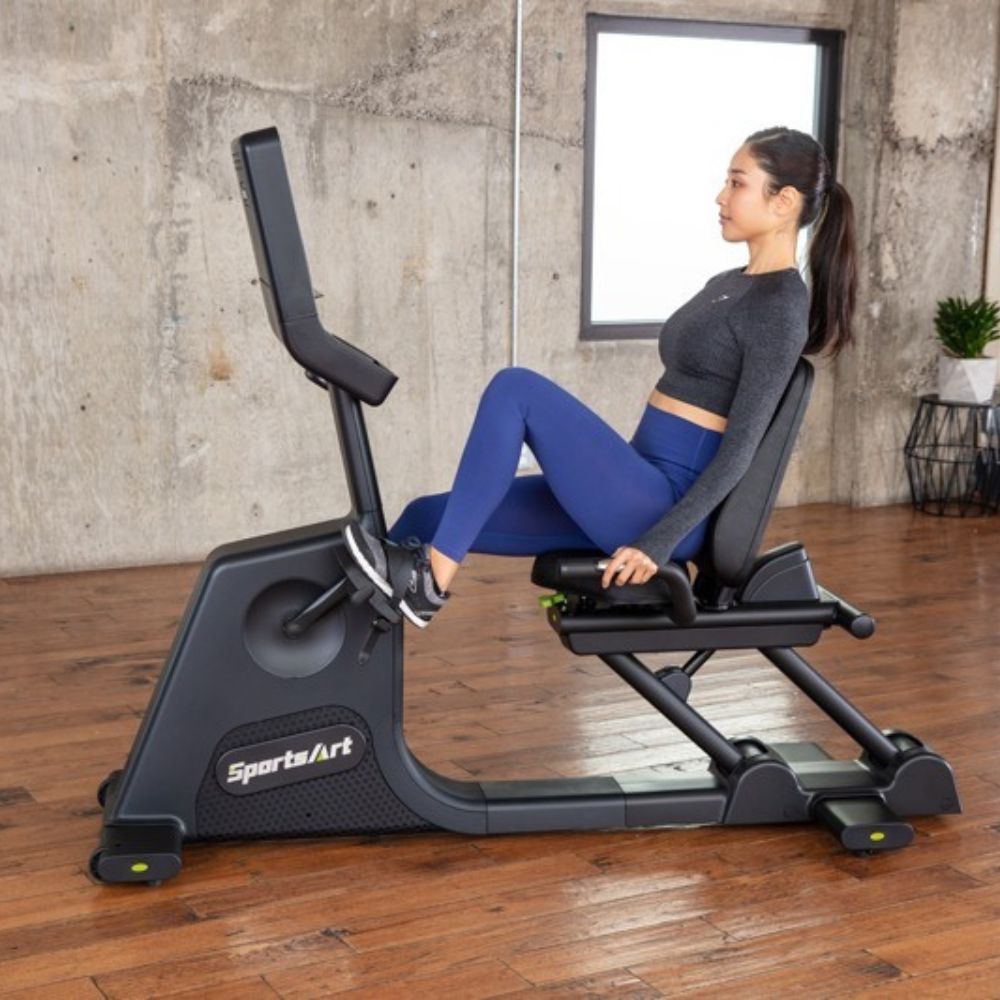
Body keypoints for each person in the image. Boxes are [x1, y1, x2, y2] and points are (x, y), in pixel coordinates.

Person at [344, 126, 858, 629]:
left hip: (661, 509)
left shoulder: (780, 308)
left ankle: (431, 583)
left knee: (516, 389)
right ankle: (343, 661)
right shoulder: (727, 282)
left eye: (737, 183)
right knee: (423, 519)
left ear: (784, 201)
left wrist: (657, 543)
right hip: (631, 486)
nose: (721, 196)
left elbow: (739, 453)